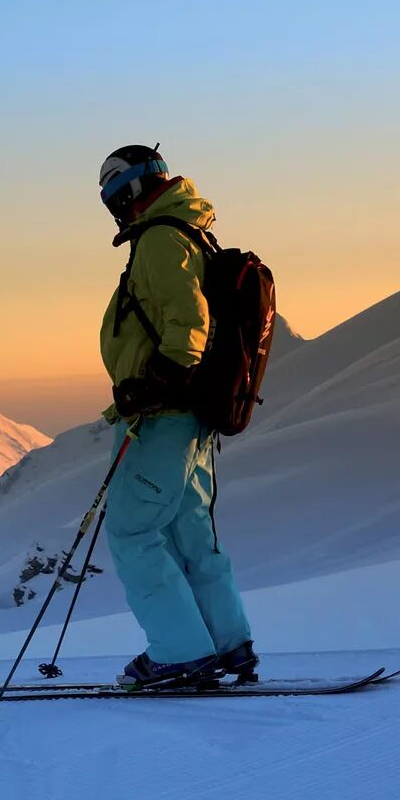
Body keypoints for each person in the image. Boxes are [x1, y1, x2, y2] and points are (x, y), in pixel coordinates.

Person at [94, 145, 259, 689]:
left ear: (135, 189)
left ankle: (180, 652)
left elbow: (188, 324)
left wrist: (155, 385)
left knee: (133, 531)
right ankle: (227, 644)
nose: (116, 210)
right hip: (192, 417)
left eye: (116, 197)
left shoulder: (163, 239)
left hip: (165, 414)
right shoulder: (191, 233)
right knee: (190, 533)